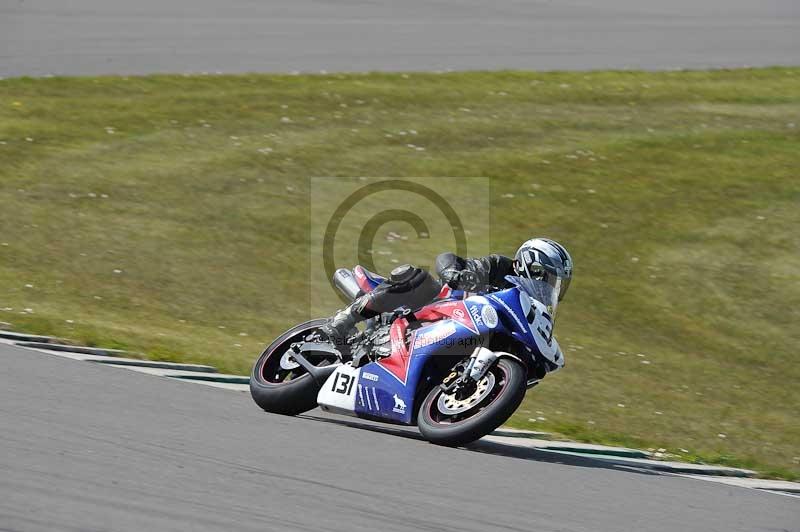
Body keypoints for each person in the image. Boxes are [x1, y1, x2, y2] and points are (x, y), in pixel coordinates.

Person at [319, 238, 573, 344]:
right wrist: (455, 274)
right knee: (415, 276)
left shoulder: (529, 307)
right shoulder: (497, 266)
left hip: (462, 333)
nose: (550, 287)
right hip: (434, 307)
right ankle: (344, 320)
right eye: (550, 279)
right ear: (534, 266)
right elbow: (448, 258)